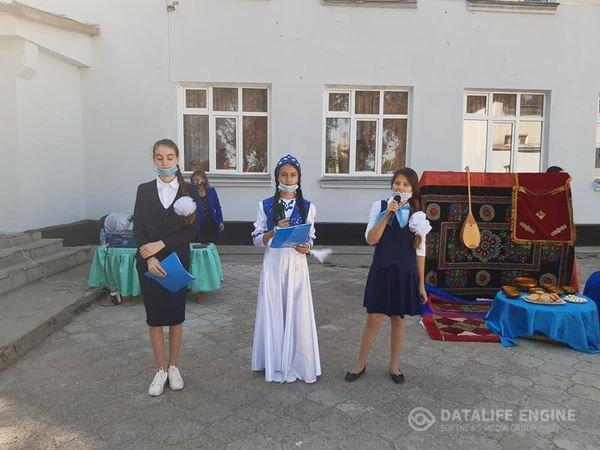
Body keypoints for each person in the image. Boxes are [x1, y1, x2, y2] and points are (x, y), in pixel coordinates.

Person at [345, 167, 430, 385]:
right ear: (392, 185)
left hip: (404, 272)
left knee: (398, 320)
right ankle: (360, 364)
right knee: (373, 318)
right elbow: (371, 239)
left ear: (413, 189)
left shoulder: (418, 215)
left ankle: (394, 366)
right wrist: (387, 214)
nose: (400, 187)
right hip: (382, 269)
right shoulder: (379, 206)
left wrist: (421, 284)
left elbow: (421, 252)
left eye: (406, 184)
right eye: (397, 183)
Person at [133, 139, 197, 396]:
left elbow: (192, 230)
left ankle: (174, 367)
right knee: (155, 317)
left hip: (176, 262)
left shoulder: (188, 191)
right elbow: (138, 228)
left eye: (170, 157)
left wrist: (161, 244)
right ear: (154, 159)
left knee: (175, 316)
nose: (165, 162)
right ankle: (160, 370)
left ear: (178, 159)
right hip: (150, 262)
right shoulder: (144, 190)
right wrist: (149, 257)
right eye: (159, 157)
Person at [250, 154, 321, 383]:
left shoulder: (308, 207)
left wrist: (307, 246)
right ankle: (273, 361)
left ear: (299, 178)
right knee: (273, 308)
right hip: (273, 263)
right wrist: (273, 231)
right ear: (277, 177)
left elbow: (310, 237)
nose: (288, 179)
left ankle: (298, 362)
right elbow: (256, 240)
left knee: (297, 310)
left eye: (293, 175)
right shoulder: (265, 205)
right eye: (284, 175)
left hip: (296, 265)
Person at [189, 169, 224, 302]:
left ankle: (211, 279)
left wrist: (220, 221)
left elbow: (218, 207)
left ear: (204, 180)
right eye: (194, 180)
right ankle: (199, 287)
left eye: (198, 179)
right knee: (198, 257)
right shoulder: (191, 192)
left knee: (209, 255)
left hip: (211, 226)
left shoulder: (211, 191)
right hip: (197, 228)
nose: (196, 182)